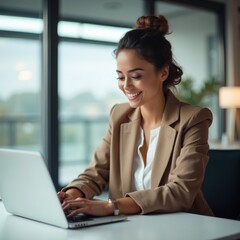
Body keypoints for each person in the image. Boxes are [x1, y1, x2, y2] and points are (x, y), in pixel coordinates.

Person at [58, 15, 214, 218]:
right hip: (130, 229)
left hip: (185, 227)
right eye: (121, 77)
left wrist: (110, 207)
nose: (126, 86)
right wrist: (70, 196)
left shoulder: (193, 119)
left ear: (163, 73)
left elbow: (180, 192)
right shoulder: (119, 115)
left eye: (136, 76)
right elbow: (96, 172)